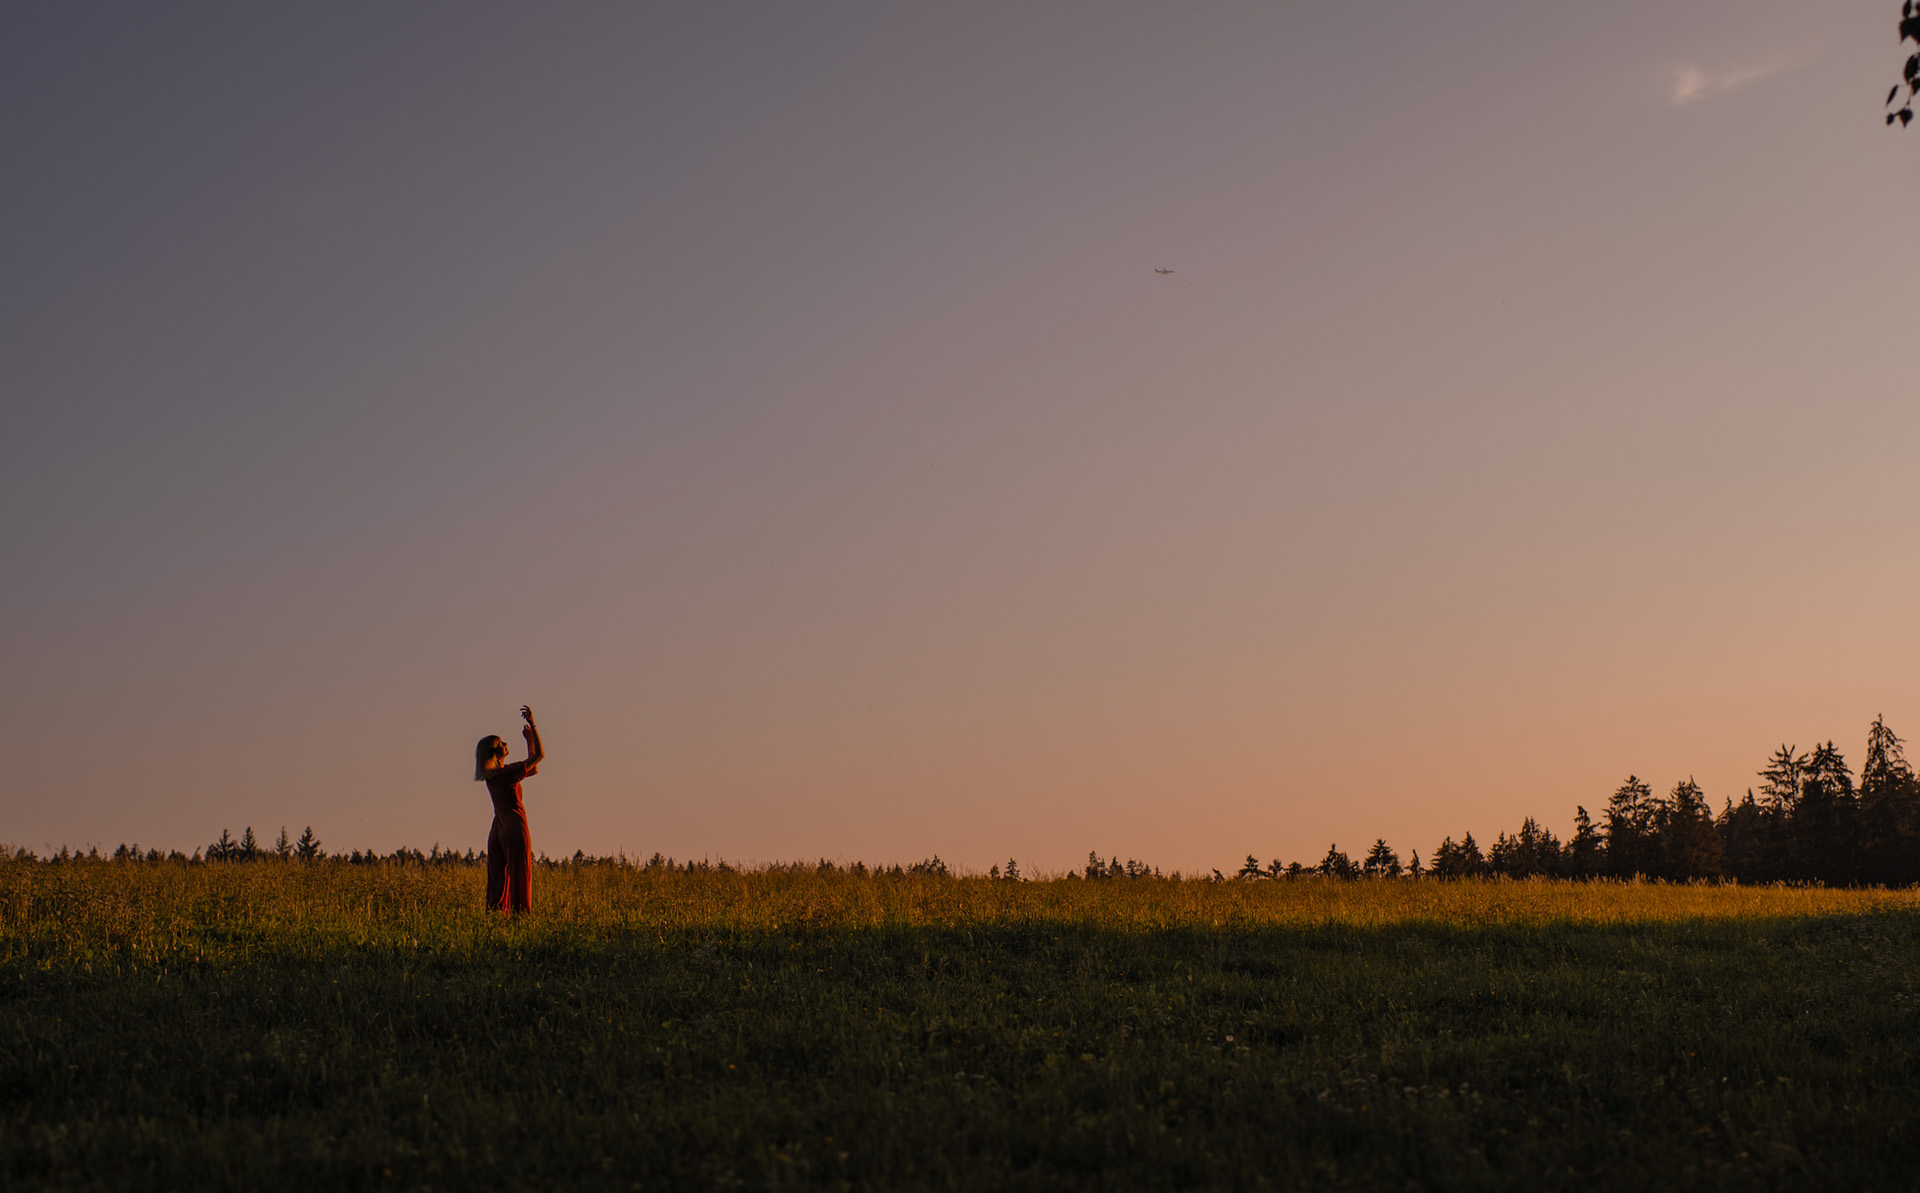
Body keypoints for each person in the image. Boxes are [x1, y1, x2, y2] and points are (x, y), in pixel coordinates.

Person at [475, 705, 544, 914]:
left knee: (498, 879)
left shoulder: (494, 775)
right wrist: (533, 724)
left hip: (497, 829)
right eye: (501, 744)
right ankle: (521, 918)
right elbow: (540, 757)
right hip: (514, 826)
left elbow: (533, 770)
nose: (505, 744)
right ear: (496, 753)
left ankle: (495, 918)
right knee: (520, 875)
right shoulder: (506, 774)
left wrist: (528, 741)